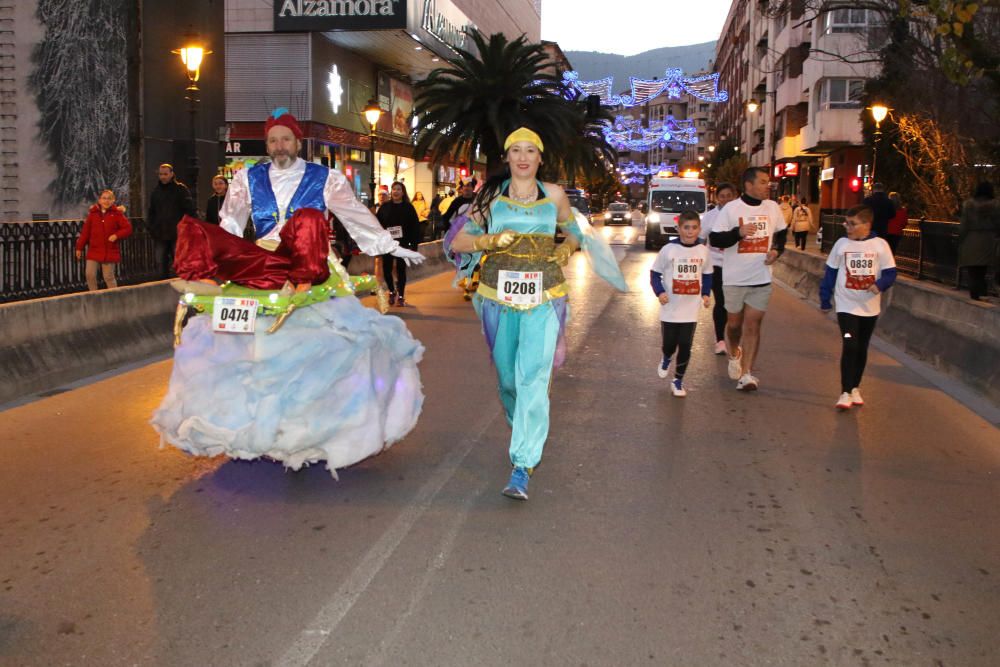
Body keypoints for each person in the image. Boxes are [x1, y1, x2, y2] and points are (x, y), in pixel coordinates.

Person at [153, 109, 426, 477]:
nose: (279, 146)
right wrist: (222, 258)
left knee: (309, 220)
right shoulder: (247, 177)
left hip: (309, 261)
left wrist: (389, 247)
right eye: (272, 141)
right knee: (192, 227)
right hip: (264, 260)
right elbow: (231, 225)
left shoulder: (326, 178)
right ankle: (202, 280)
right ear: (266, 145)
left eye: (286, 139)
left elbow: (353, 214)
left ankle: (320, 422)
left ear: (299, 142)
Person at [447, 127, 626, 500]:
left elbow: (573, 230)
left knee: (533, 378)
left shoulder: (555, 195)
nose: (523, 157)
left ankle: (523, 464)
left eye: (531, 150)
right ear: (508, 157)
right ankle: (521, 426)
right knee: (509, 382)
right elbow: (459, 240)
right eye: (516, 151)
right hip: (498, 297)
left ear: (540, 158)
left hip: (545, 297)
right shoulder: (491, 196)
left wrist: (568, 247)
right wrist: (488, 241)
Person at [709, 166, 788, 391]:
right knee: (734, 326)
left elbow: (781, 234)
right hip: (734, 278)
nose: (768, 186)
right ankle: (734, 353)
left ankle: (747, 374)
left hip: (761, 277)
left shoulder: (773, 208)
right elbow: (715, 239)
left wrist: (776, 251)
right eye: (763, 182)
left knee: (753, 326)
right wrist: (738, 233)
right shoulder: (731, 209)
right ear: (749, 185)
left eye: (768, 182)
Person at [819, 205, 897, 410]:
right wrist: (825, 298)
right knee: (850, 344)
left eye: (852, 223)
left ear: (866, 224)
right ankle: (844, 391)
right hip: (846, 305)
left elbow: (890, 273)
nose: (847, 227)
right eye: (846, 222)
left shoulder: (880, 245)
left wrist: (879, 285)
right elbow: (830, 273)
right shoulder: (841, 244)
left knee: (861, 347)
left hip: (869, 307)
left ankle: (855, 387)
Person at [650, 209, 713, 396]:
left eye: (694, 228)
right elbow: (655, 273)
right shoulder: (668, 250)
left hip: (690, 309)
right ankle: (667, 357)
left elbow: (708, 274)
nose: (690, 232)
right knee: (669, 343)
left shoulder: (703, 251)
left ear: (699, 229)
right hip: (670, 308)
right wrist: (660, 292)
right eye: (686, 227)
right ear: (679, 229)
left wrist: (706, 294)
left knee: (685, 344)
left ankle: (678, 380)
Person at [698, 182, 737, 354]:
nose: (726, 199)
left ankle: (734, 339)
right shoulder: (710, 216)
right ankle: (720, 340)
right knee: (721, 302)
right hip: (716, 265)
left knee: (733, 305)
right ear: (717, 198)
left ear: (734, 196)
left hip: (737, 266)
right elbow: (701, 238)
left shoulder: (740, 214)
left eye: (729, 195)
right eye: (722, 196)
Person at [75, 189, 132, 291]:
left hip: (109, 250)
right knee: (89, 274)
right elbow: (85, 233)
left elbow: (127, 228)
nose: (106, 201)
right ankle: (94, 295)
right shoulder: (93, 214)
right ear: (99, 200)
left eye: (109, 199)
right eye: (104, 198)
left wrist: (116, 235)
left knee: (108, 277)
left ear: (113, 200)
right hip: (94, 250)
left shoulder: (116, 214)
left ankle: (114, 297)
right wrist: (79, 247)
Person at [377, 181, 422, 306]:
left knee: (401, 270)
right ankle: (392, 291)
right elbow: (377, 224)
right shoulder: (385, 207)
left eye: (398, 189)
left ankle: (401, 295)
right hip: (388, 243)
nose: (396, 191)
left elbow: (415, 227)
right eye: (394, 189)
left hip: (403, 243)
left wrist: (414, 246)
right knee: (387, 269)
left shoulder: (409, 207)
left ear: (403, 192)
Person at [147, 163, 195, 278]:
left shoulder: (181, 190)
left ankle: (181, 286)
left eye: (165, 174)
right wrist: (152, 228)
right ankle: (163, 288)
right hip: (160, 233)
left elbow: (190, 210)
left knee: (178, 262)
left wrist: (185, 228)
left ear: (172, 174)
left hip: (177, 233)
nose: (163, 177)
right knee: (160, 263)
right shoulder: (156, 192)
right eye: (161, 174)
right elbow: (151, 211)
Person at [958, 181, 1000, 301]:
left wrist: (960, 239)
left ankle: (975, 292)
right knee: (983, 269)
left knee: (973, 270)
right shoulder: (996, 206)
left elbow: (964, 225)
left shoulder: (968, 205)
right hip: (989, 240)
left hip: (971, 239)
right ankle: (982, 291)